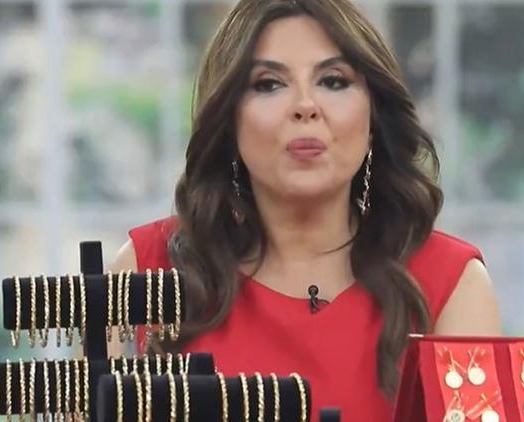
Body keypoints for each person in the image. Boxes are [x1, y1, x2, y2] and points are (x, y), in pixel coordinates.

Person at [109, 0, 501, 420]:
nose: (305, 106)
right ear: (228, 120)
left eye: (333, 81)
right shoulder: (144, 271)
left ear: (373, 117)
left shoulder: (450, 283)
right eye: (268, 84)